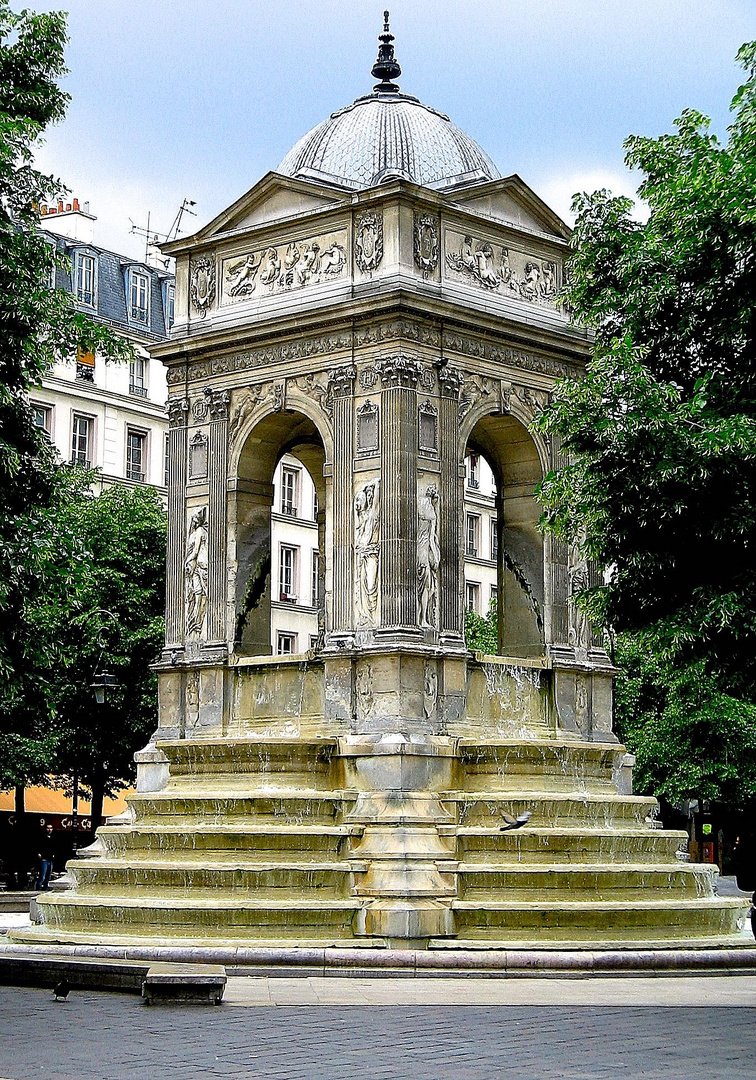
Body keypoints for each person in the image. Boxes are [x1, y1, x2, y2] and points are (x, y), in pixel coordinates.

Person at [36, 822, 55, 891]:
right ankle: (38, 888)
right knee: (42, 876)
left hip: (50, 859)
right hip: (44, 859)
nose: (49, 830)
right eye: (48, 828)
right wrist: (39, 853)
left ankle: (46, 887)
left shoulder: (53, 838)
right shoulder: (42, 837)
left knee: (48, 876)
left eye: (51, 828)